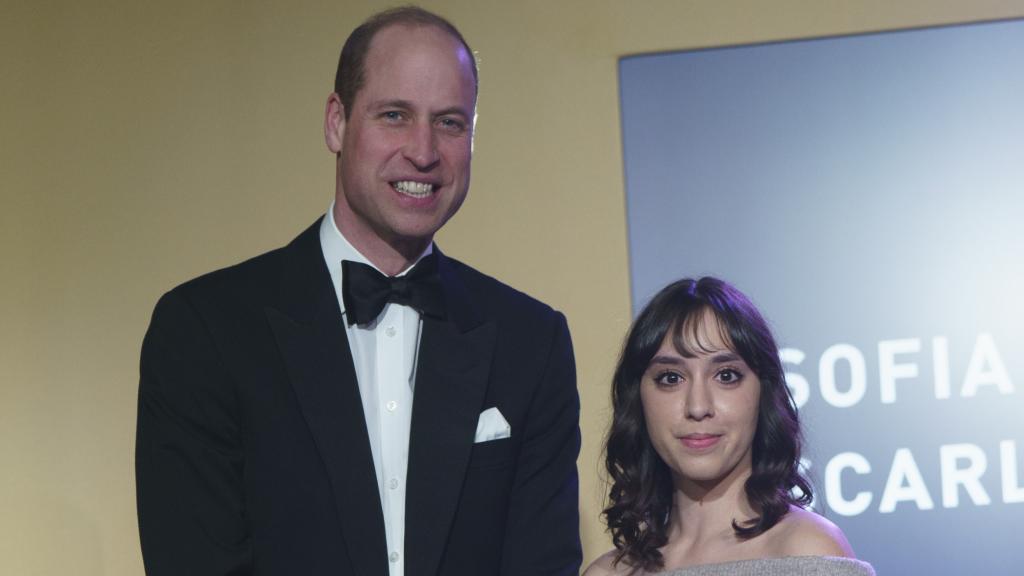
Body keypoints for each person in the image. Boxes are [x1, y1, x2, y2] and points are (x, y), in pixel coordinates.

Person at [135, 6, 581, 576]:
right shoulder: (206, 330)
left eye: (449, 122)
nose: (423, 151)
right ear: (336, 123)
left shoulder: (532, 341)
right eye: (395, 115)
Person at [584, 278, 874, 576]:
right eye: (671, 378)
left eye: (726, 375)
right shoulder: (606, 574)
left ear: (763, 393)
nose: (698, 406)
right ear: (638, 397)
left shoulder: (808, 551)